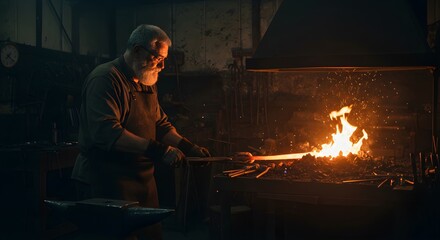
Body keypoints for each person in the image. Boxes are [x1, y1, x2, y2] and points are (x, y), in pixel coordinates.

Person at [71, 24, 210, 240]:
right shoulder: (105, 79)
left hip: (143, 182)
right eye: (157, 58)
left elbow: (161, 125)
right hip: (107, 181)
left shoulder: (146, 82)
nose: (162, 66)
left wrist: (188, 147)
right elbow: (108, 133)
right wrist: (160, 150)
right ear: (137, 50)